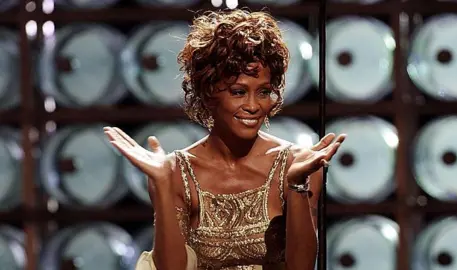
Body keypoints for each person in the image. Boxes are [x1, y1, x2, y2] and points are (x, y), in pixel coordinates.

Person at [104, 9, 346, 270]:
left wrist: (296, 185)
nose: (253, 106)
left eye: (263, 91)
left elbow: (302, 267)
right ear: (208, 92)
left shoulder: (298, 165)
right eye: (239, 92)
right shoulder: (175, 173)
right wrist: (162, 184)